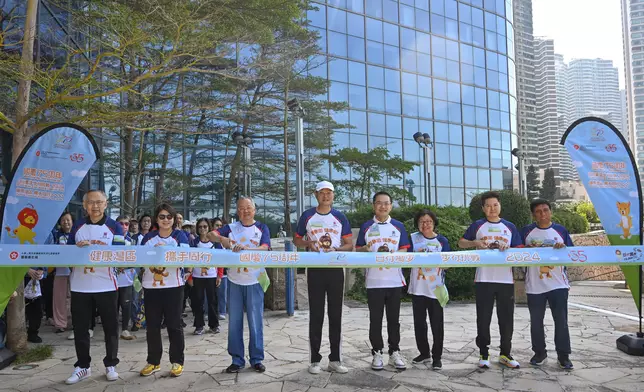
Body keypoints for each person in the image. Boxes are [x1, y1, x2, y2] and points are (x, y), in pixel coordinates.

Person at [65, 190, 125, 385]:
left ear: (106, 204)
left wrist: (100, 249)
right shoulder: (78, 227)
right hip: (80, 285)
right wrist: (77, 250)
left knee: (110, 327)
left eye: (99, 202)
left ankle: (111, 364)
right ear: (85, 205)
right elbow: (66, 255)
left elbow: (121, 253)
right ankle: (83, 366)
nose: (95, 206)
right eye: (91, 202)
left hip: (106, 284)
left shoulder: (114, 226)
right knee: (81, 328)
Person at [293, 180, 353, 375]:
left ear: (333, 195)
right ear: (316, 195)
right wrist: (307, 243)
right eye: (322, 193)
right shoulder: (307, 216)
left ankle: (335, 359)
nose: (325, 196)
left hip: (336, 269)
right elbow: (296, 239)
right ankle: (314, 360)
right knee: (316, 315)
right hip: (315, 269)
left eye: (329, 193)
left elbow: (349, 244)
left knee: (336, 315)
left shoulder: (340, 217)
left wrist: (336, 249)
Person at [458, 191, 522, 369]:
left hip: (505, 280)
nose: (492, 208)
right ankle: (483, 354)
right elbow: (461, 242)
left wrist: (509, 249)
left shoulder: (510, 227)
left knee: (506, 319)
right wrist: (475, 243)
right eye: (488, 205)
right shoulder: (477, 226)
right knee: (483, 318)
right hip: (483, 279)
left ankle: (505, 353)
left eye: (495, 205)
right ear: (483, 208)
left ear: (500, 206)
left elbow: (521, 250)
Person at [208, 197, 270, 374]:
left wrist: (245, 250)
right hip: (235, 280)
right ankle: (237, 359)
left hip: (255, 279)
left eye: (248, 208)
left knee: (255, 321)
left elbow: (265, 247)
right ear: (237, 211)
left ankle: (257, 359)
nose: (245, 211)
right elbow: (211, 235)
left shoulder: (262, 228)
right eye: (241, 208)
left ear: (254, 210)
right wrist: (223, 240)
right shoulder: (231, 228)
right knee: (234, 322)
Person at [356, 191, 410, 371]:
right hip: (374, 281)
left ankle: (394, 352)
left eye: (386, 203)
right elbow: (357, 250)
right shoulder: (366, 226)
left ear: (391, 206)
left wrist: (394, 255)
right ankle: (377, 352)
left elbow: (405, 249)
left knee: (394, 320)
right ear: (374, 206)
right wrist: (367, 248)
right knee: (375, 320)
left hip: (394, 281)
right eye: (379, 203)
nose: (383, 206)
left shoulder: (399, 226)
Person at [520, 199, 574, 370]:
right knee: (536, 321)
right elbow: (517, 251)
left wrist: (563, 248)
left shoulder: (560, 231)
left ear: (551, 211)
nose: (542, 214)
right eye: (538, 211)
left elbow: (572, 254)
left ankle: (563, 356)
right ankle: (539, 353)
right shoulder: (527, 232)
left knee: (561, 322)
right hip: (534, 285)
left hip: (558, 285)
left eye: (545, 210)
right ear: (533, 214)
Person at [139, 203, 190, 378]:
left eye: (169, 216)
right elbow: (141, 259)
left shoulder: (180, 236)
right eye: (162, 216)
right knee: (152, 326)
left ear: (174, 219)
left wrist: (164, 254)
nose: (166, 220)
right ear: (156, 219)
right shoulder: (148, 238)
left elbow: (184, 258)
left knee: (174, 325)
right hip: (151, 287)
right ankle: (153, 361)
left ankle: (177, 361)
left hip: (174, 287)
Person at [408, 209, 450, 370]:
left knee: (437, 324)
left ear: (434, 223)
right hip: (418, 288)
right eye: (422, 222)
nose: (425, 224)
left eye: (429, 221)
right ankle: (424, 352)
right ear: (417, 224)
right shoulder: (413, 239)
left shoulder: (442, 241)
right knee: (419, 323)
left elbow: (449, 263)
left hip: (436, 288)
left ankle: (437, 357)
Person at [190, 218, 223, 335]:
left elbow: (221, 260)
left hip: (212, 276)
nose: (202, 229)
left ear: (209, 228)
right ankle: (199, 325)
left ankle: (214, 325)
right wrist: (189, 277)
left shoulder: (215, 243)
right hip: (197, 277)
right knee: (198, 301)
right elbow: (189, 260)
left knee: (212, 301)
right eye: (200, 227)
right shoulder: (194, 243)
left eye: (205, 226)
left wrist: (219, 275)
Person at [49, 211, 74, 334]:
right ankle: (60, 324)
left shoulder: (77, 235)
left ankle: (75, 322)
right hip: (60, 271)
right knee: (59, 299)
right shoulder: (56, 235)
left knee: (75, 299)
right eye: (63, 220)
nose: (66, 222)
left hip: (75, 272)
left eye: (68, 220)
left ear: (72, 221)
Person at [115, 215, 136, 340]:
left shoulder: (132, 241)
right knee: (113, 306)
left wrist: (126, 265)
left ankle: (125, 329)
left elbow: (136, 258)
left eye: (126, 224)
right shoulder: (111, 239)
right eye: (121, 223)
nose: (124, 226)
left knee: (126, 304)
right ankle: (112, 330)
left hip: (126, 277)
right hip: (112, 278)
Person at [211, 218, 228, 320]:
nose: (219, 227)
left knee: (222, 294)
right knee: (211, 295)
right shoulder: (210, 241)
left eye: (220, 226)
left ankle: (222, 311)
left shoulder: (226, 240)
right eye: (216, 225)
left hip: (224, 272)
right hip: (211, 272)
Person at [24, 267, 46, 343]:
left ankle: (32, 333)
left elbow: (45, 269)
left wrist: (42, 272)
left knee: (37, 313)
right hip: (22, 281)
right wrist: (26, 270)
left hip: (37, 285)